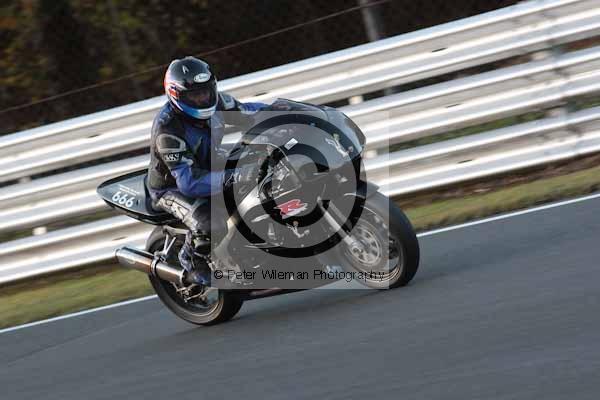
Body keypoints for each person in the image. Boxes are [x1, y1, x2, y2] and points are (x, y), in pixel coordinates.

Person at [147, 56, 267, 285]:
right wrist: (238, 176)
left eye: (205, 92)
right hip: (173, 187)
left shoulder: (219, 103)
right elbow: (189, 182)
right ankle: (191, 258)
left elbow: (247, 112)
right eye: (194, 95)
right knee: (211, 222)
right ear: (176, 95)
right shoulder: (168, 129)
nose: (202, 99)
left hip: (210, 164)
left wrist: (281, 111)